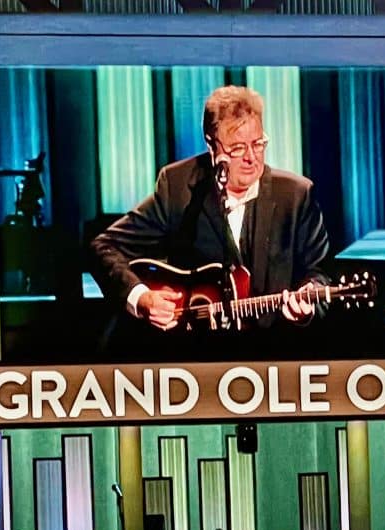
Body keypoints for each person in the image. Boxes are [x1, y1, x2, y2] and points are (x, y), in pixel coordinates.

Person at [91, 85, 329, 359]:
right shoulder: (179, 186)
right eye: (237, 148)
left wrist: (308, 300)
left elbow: (318, 273)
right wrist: (142, 298)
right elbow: (104, 246)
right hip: (194, 357)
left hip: (274, 355)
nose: (251, 158)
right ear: (211, 144)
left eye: (258, 144)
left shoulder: (296, 196)